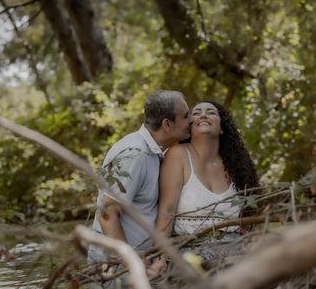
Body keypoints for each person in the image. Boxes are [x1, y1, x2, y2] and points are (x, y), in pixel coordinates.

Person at [88, 89, 190, 267]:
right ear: (167, 124)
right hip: (116, 265)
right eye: (186, 116)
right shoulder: (136, 154)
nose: (191, 120)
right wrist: (132, 266)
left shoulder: (152, 151)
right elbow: (107, 214)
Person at [155, 100, 259, 247]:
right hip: (190, 252)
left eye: (211, 112)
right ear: (189, 127)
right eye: (196, 113)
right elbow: (166, 211)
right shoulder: (178, 154)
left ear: (222, 128)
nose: (203, 115)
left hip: (234, 253)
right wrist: (160, 255)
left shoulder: (236, 165)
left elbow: (249, 218)